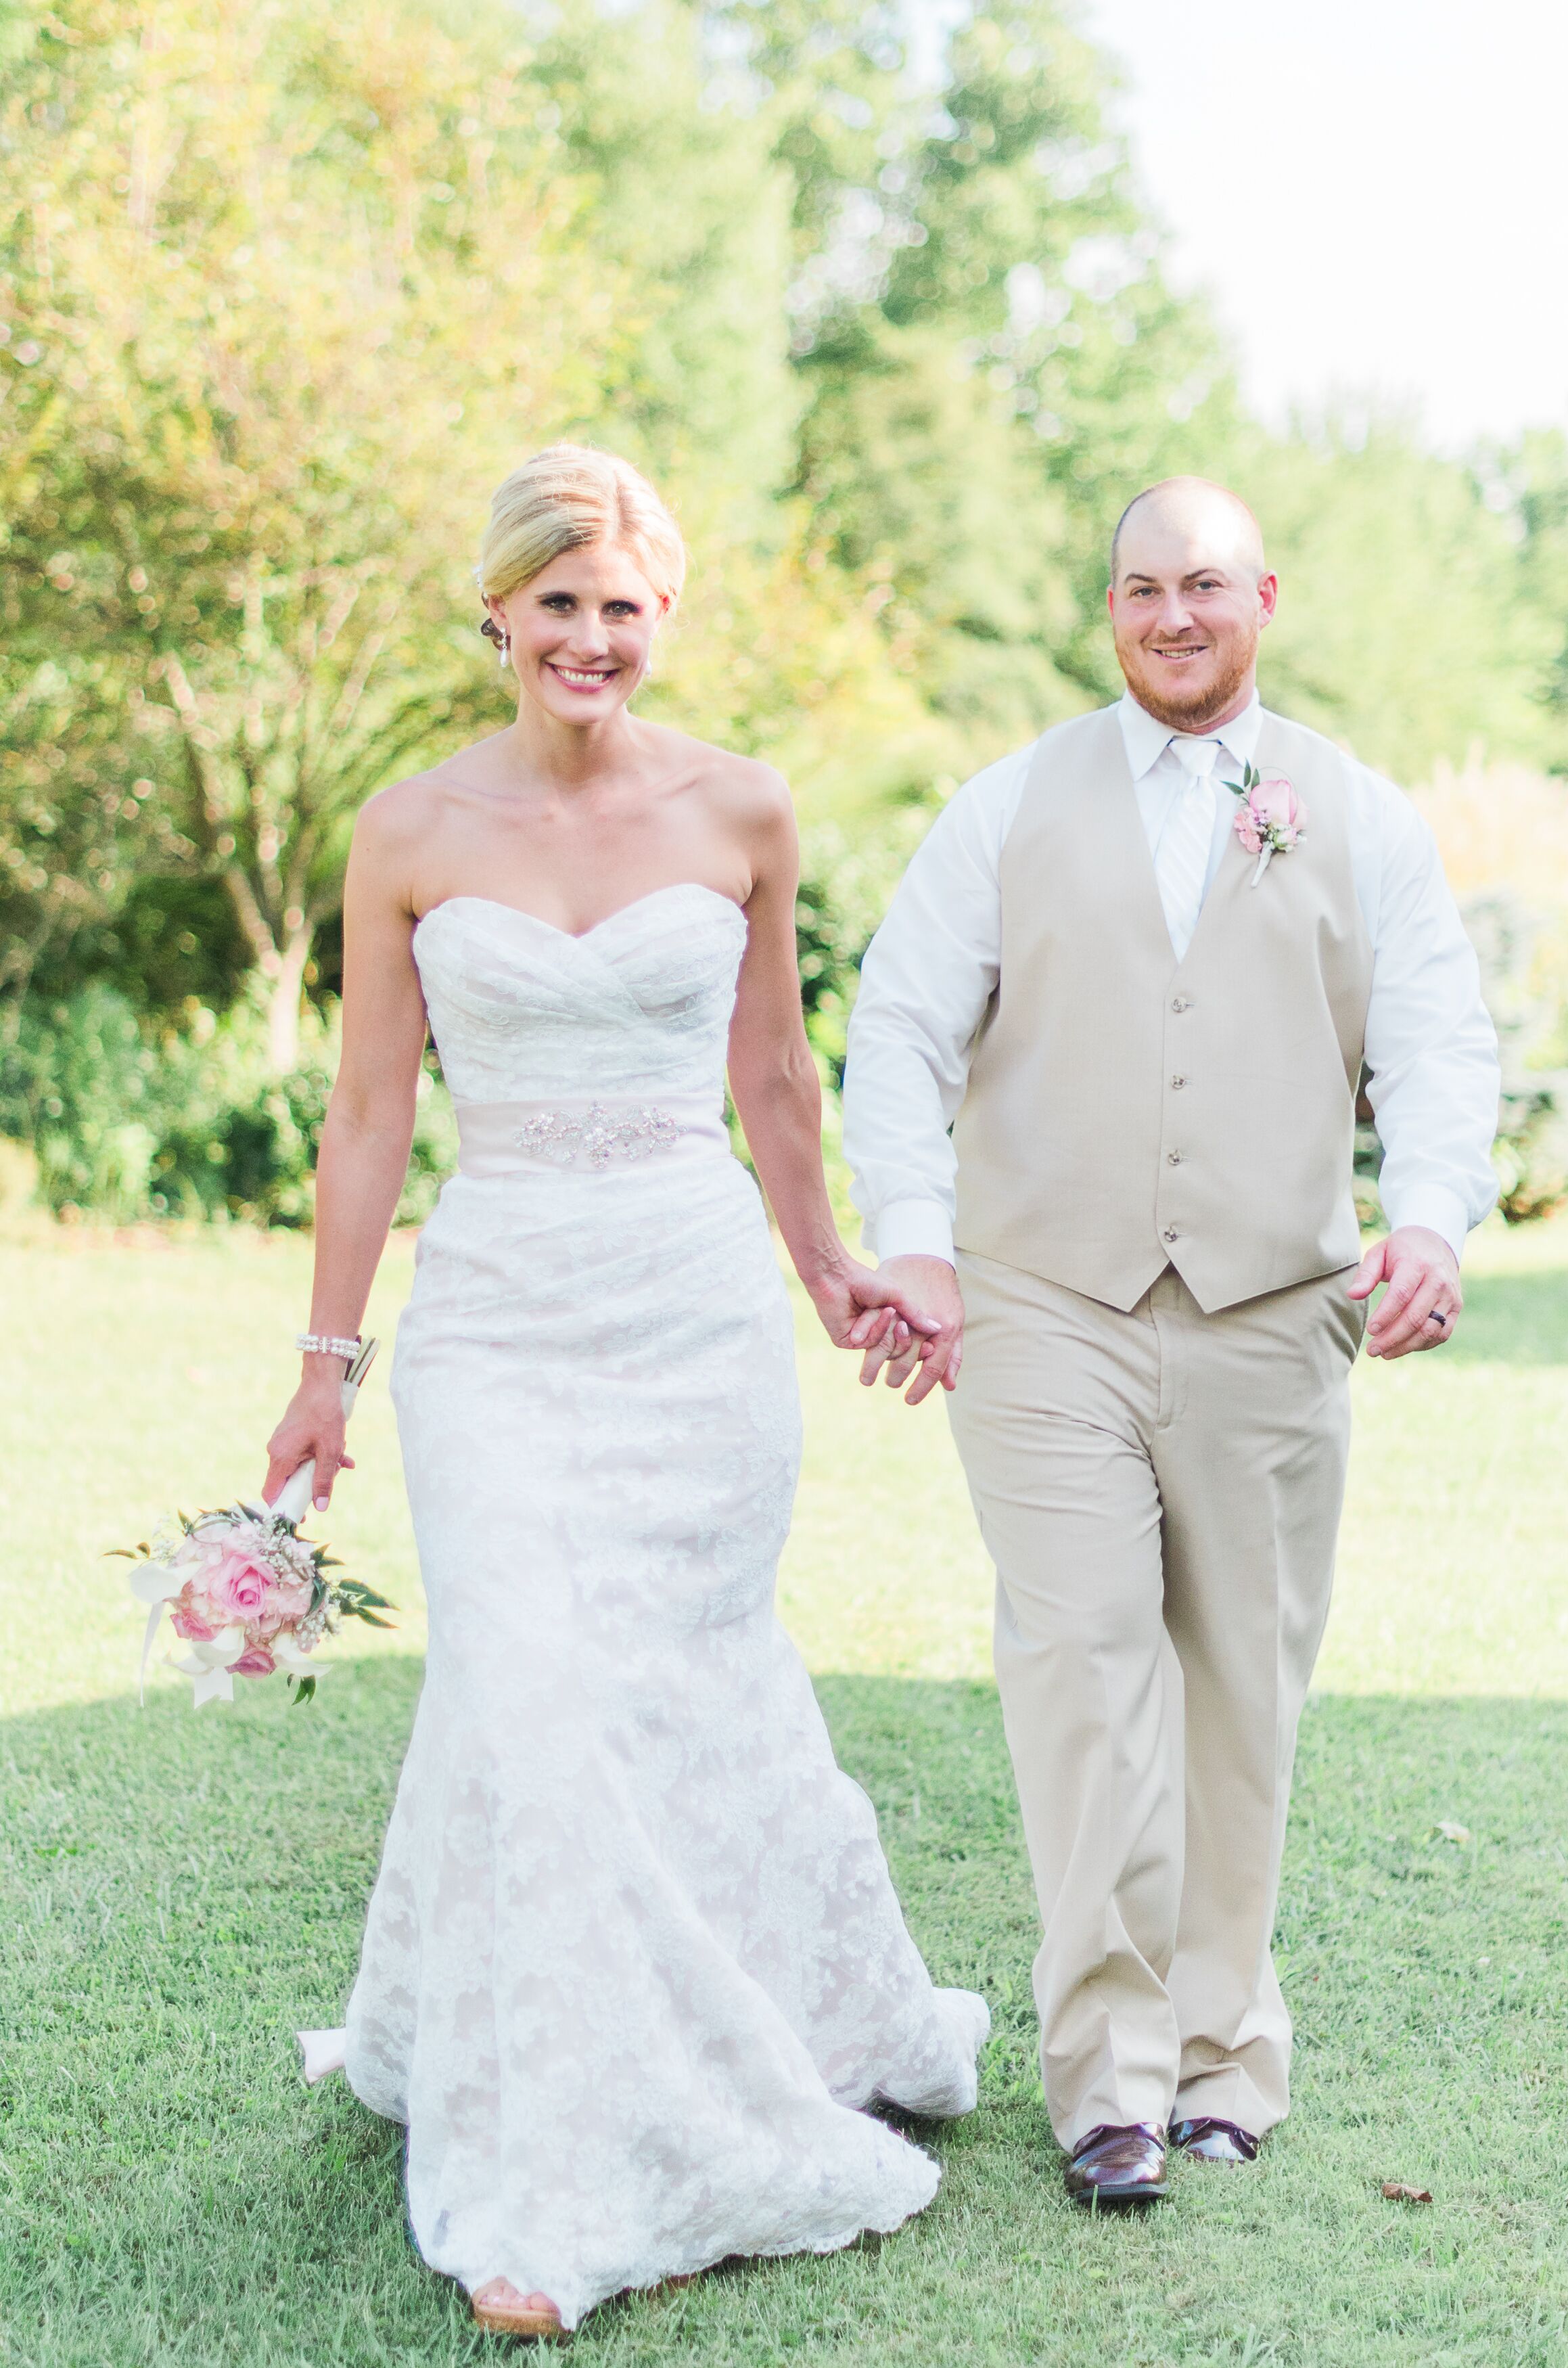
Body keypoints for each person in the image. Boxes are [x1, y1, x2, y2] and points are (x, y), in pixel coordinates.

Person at [267, 445, 988, 2336]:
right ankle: (559, 2186)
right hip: (495, 1316)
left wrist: (829, 1263)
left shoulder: (743, 810)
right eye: (561, 600)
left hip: (694, 1314)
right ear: (498, 609)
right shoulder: (407, 830)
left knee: (683, 1680)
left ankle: (790, 2025)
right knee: (533, 1688)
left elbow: (777, 1084)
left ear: (663, 619)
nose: (593, 636)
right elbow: (366, 1115)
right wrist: (325, 1369)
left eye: (627, 606)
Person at [841, 477, 1500, 2207]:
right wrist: (917, 1244)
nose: (1173, 615)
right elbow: (900, 1024)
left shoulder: (1352, 810)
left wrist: (1428, 1213)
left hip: (1274, 1320)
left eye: (1203, 584)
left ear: (1261, 595)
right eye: (1141, 587)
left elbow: (1437, 1033)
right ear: (1110, 607)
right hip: (1045, 1306)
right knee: (1082, 1677)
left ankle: (1225, 2051)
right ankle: (1108, 2079)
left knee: (1240, 1701)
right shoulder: (1005, 807)